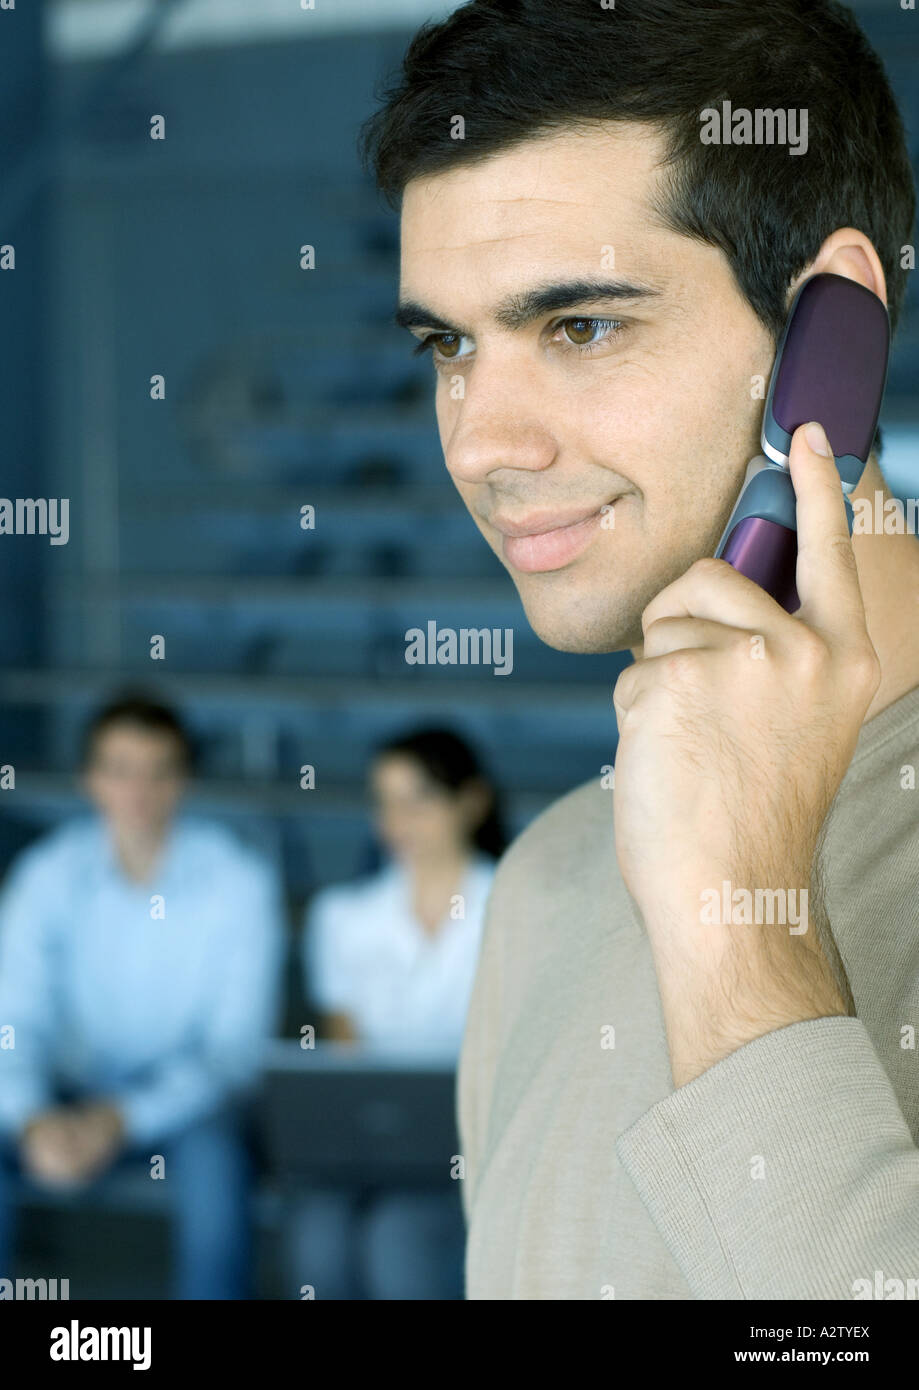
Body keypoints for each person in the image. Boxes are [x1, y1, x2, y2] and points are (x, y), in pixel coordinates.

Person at [359, 0, 919, 1299]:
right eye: (448, 344)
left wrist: (738, 932)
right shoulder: (552, 874)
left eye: (579, 327)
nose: (478, 443)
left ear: (829, 332)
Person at [0, 691, 285, 1299]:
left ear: (184, 780)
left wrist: (120, 1119)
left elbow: (232, 1053)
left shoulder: (239, 882)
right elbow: (13, 1019)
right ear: (90, 779)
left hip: (181, 1104)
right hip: (59, 1095)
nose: (139, 791)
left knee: (216, 1160)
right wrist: (31, 1120)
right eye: (120, 770)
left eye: (159, 772)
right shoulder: (45, 875)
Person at [290, 727, 503, 1299]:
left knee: (398, 1239)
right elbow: (347, 1058)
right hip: (368, 1150)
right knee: (319, 1238)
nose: (396, 821)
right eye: (384, 802)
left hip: (473, 1147)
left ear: (471, 801)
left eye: (418, 799)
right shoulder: (344, 917)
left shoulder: (514, 904)